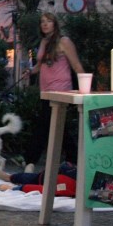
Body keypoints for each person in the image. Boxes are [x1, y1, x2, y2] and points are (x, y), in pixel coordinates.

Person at [24, 12, 85, 168]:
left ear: (55, 24)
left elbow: (76, 64)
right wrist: (31, 71)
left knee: (45, 123)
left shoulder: (64, 41)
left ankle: (30, 159)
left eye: (48, 21)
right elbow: (40, 64)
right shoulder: (44, 42)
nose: (45, 24)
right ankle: (74, 158)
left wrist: (85, 87)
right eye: (42, 22)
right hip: (46, 89)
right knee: (58, 125)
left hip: (60, 89)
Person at [0, 162, 77, 197]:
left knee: (27, 178)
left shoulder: (66, 188)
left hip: (43, 179)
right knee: (26, 177)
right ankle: (8, 177)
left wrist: (12, 188)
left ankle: (8, 177)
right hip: (45, 176)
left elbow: (41, 189)